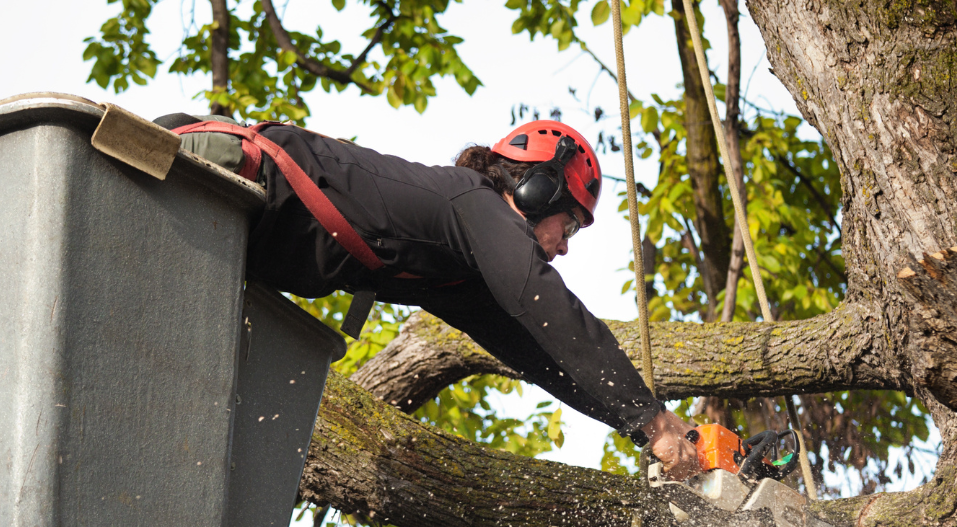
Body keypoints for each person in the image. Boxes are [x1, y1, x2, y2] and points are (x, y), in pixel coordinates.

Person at [155, 112, 699, 479]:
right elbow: (546, 302)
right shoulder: (475, 201)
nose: (563, 248)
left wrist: (641, 428)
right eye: (570, 225)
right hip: (216, 172)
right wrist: (653, 420)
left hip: (227, 231)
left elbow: (545, 354)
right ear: (538, 189)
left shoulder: (459, 270)